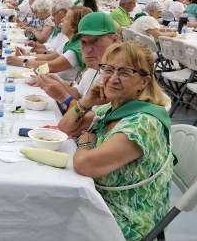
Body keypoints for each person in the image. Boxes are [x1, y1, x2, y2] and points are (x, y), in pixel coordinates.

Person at [58, 41, 173, 241]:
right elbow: (66, 127)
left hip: (126, 220)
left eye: (125, 72)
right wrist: (86, 102)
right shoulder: (113, 108)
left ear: (144, 82)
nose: (113, 78)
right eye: (108, 69)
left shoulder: (143, 124)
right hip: (100, 200)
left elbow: (84, 164)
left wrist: (86, 144)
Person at [34, 12, 119, 112]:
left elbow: (94, 124)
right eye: (83, 42)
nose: (88, 50)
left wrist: (63, 97)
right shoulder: (95, 66)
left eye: (95, 41)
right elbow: (79, 94)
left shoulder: (119, 78)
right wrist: (57, 83)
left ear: (114, 40)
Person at [7, 6, 92, 82]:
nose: (62, 20)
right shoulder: (71, 42)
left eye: (66, 18)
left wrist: (23, 62)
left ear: (74, 27)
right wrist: (24, 56)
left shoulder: (77, 48)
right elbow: (48, 57)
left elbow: (51, 66)